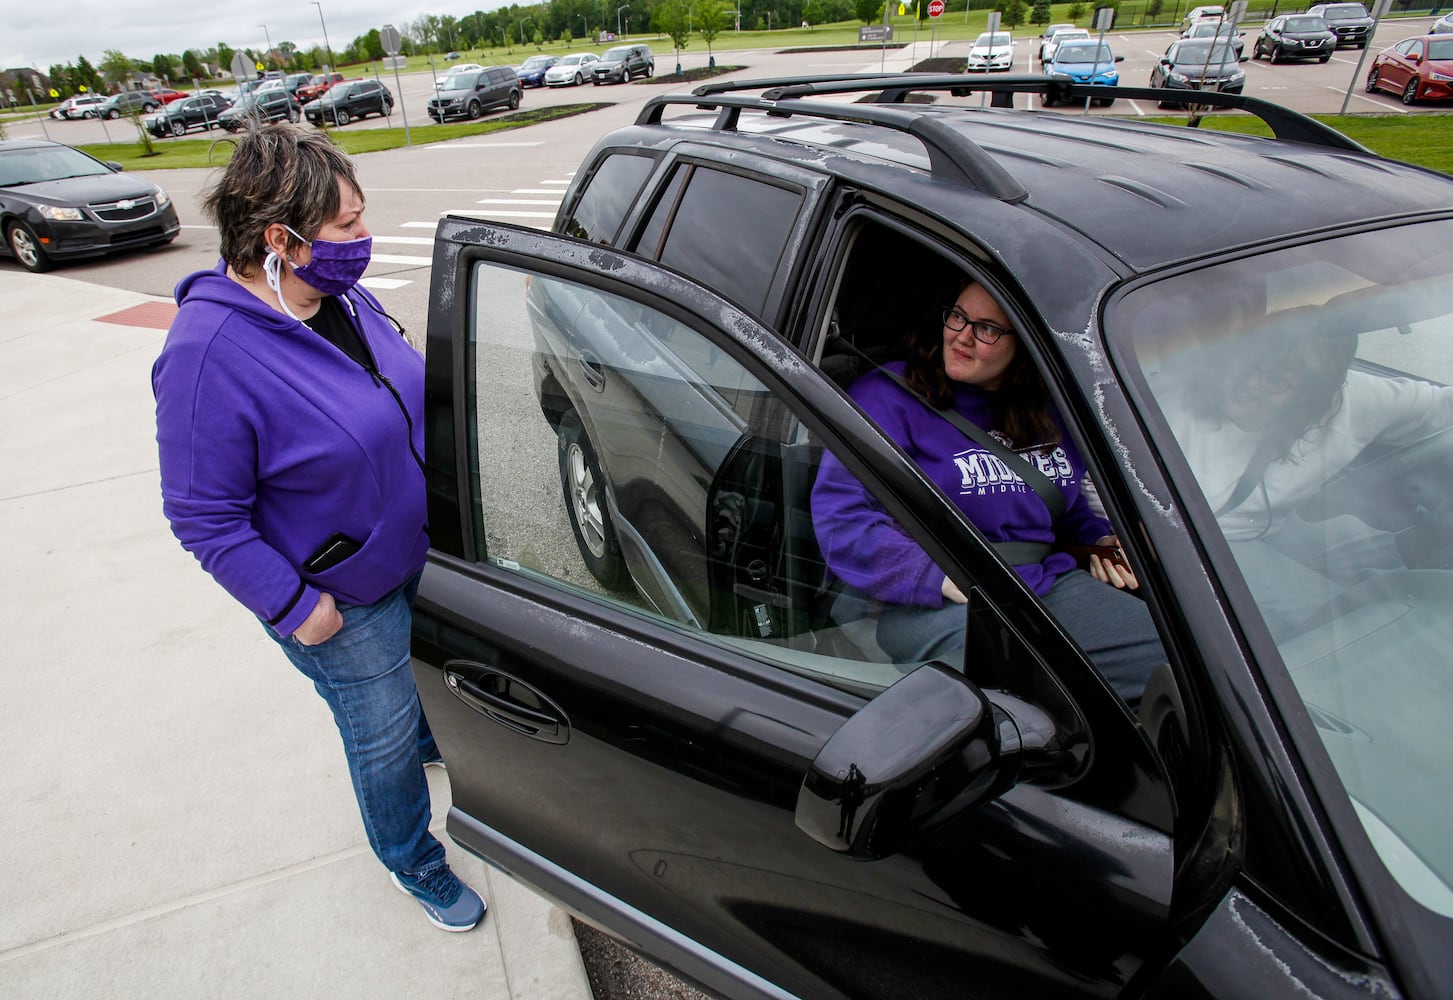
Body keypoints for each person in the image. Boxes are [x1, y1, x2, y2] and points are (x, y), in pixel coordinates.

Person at [152, 123, 485, 933]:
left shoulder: (339, 298)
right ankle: (414, 861)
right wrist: (299, 608)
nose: (363, 239)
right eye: (345, 226)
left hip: (410, 552)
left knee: (417, 697)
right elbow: (202, 515)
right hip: (339, 597)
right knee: (380, 736)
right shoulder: (207, 356)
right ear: (279, 239)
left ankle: (425, 748)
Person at [811, 278, 1165, 706]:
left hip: (1044, 586)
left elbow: (1061, 510)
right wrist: (935, 575)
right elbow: (842, 517)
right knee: (1029, 695)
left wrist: (1097, 541)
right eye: (958, 317)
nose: (962, 336)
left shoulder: (1050, 410)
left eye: (987, 329)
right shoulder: (887, 398)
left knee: (1170, 666)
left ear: (1026, 345)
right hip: (930, 598)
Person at [1163, 323, 1453, 637]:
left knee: (1358, 623)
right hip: (1175, 544)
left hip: (1253, 541)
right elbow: (1104, 497)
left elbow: (1442, 408)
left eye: (1274, 379)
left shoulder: (1355, 401)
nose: (1248, 382)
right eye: (1249, 366)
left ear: (1309, 398)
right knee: (1342, 631)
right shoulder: (1170, 401)